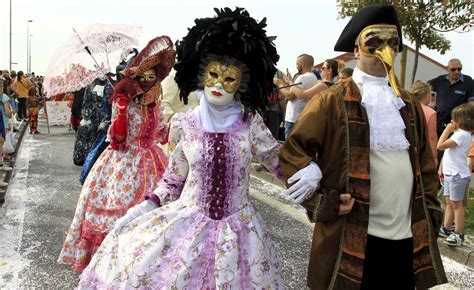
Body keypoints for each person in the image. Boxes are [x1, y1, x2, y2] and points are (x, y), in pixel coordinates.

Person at [77, 8, 284, 289]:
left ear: (243, 83)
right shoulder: (186, 123)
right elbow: (174, 179)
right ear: (200, 75)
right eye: (213, 75)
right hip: (189, 223)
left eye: (230, 78)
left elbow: (278, 162)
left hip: (240, 234)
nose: (219, 85)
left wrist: (309, 177)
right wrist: (145, 206)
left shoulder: (250, 122)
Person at [279, 4, 446, 289]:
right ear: (357, 50)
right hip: (353, 234)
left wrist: (430, 210)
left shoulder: (408, 104)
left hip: (407, 236)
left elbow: (425, 164)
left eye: (393, 42)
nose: (385, 49)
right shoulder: (331, 100)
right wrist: (320, 196)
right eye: (374, 42)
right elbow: (294, 151)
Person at [58, 36, 174, 271]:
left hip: (152, 161)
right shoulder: (123, 101)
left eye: (154, 78)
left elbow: (161, 134)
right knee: (117, 216)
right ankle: (110, 266)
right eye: (145, 77)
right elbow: (118, 139)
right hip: (121, 165)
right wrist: (120, 108)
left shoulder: (155, 104)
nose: (150, 83)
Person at [437, 103, 474, 246]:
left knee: (457, 204)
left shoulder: (462, 135)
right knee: (449, 202)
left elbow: (440, 146)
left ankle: (458, 232)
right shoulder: (460, 134)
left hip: (457, 175)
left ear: (464, 120)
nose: (452, 122)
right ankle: (446, 228)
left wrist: (446, 130)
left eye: (455, 119)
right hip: (451, 173)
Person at [429, 58, 473, 144]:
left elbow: (471, 104)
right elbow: (425, 88)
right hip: (439, 122)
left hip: (457, 124)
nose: (456, 71)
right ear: (447, 69)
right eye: (453, 69)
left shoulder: (468, 81)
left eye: (459, 69)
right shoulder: (440, 80)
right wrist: (432, 101)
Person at [277, 54, 318, 138]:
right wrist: (290, 82)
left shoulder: (302, 78)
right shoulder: (313, 77)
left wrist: (280, 84)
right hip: (303, 117)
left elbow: (290, 96)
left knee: (290, 148)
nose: (296, 66)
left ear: (302, 64)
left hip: (294, 119)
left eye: (297, 64)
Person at [410, 80, 438, 165]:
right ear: (426, 95)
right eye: (430, 93)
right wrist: (434, 157)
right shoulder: (430, 112)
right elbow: (432, 137)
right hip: (422, 151)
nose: (431, 96)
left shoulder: (407, 107)